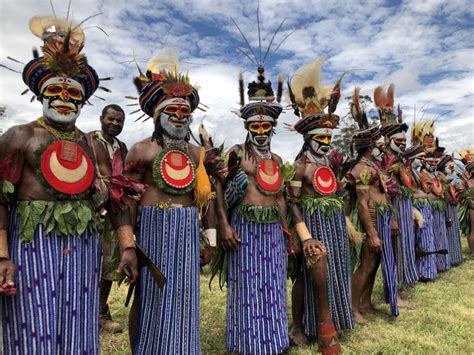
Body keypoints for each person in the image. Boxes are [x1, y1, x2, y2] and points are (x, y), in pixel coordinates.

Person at [0, 15, 108, 353]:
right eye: (55, 90)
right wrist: (2, 256)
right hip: (32, 245)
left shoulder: (95, 146)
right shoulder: (19, 136)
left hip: (83, 248)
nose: (64, 97)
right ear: (39, 95)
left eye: (73, 92)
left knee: (78, 320)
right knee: (31, 321)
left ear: (83, 100)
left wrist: (125, 241)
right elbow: (0, 201)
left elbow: (111, 199)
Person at [114, 51, 232, 354]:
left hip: (186, 231)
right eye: (173, 111)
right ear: (157, 115)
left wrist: (211, 241)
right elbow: (125, 203)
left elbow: (204, 200)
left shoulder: (197, 154)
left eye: (185, 113)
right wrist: (128, 245)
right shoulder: (140, 151)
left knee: (183, 294)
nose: (180, 117)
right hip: (151, 229)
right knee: (147, 293)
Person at [222, 65, 290, 354]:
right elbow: (217, 192)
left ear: (272, 128)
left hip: (273, 228)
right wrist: (224, 226)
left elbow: (282, 197)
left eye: (265, 126)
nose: (261, 131)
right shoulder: (236, 153)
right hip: (244, 227)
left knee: (273, 283)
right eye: (255, 126)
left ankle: (275, 340)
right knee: (247, 285)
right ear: (247, 127)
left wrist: (288, 231)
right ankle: (246, 342)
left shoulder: (276, 158)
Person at [285, 59, 349, 352]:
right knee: (303, 274)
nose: (325, 142)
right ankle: (299, 325)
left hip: (333, 224)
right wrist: (305, 236)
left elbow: (336, 194)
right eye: (319, 137)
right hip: (310, 225)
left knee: (333, 270)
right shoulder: (300, 166)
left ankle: (329, 321)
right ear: (308, 139)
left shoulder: (330, 164)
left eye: (328, 137)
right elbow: (293, 202)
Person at [347, 87, 399, 324]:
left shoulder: (376, 166)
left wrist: (392, 219)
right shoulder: (361, 169)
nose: (382, 145)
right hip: (370, 219)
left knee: (375, 263)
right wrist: (371, 232)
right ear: (369, 147)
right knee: (366, 264)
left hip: (382, 217)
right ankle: (353, 307)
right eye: (379, 143)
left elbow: (384, 194)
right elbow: (362, 202)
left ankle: (366, 302)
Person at [88, 104, 127, 333]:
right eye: (110, 119)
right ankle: (86, 310)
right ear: (101, 118)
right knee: (89, 263)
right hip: (92, 211)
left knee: (109, 265)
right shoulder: (89, 141)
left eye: (119, 121)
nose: (114, 124)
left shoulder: (122, 147)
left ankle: (101, 313)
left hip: (115, 212)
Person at [376, 85, 419, 286]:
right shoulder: (383, 161)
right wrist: (392, 215)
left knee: (406, 242)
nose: (403, 144)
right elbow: (385, 189)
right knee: (393, 247)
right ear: (388, 139)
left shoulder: (401, 161)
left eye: (404, 141)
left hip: (403, 205)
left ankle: (406, 277)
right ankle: (394, 287)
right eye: (398, 141)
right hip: (391, 209)